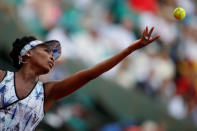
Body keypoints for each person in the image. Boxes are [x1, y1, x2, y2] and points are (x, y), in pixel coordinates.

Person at [0, 26, 159, 130]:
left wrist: (130, 49)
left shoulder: (48, 92)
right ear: (28, 53)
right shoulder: (2, 77)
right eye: (46, 51)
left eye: (53, 55)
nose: (52, 57)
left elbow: (91, 74)